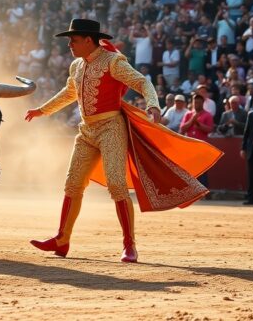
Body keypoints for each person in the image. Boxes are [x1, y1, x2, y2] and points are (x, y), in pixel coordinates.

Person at [25, 19, 219, 263]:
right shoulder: (77, 66)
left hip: (111, 128)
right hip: (87, 131)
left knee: (116, 185)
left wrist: (152, 105)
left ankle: (129, 245)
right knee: (72, 184)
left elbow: (142, 81)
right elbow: (70, 93)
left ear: (88, 40)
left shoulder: (112, 62)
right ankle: (62, 240)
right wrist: (42, 110)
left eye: (73, 40)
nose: (70, 45)